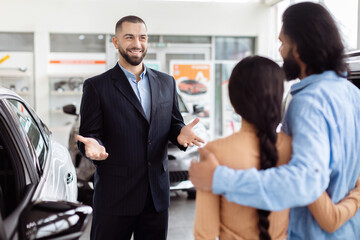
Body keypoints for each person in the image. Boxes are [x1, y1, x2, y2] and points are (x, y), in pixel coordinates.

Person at [189, 2, 360, 239]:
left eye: (283, 42)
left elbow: (307, 182)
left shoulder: (308, 102)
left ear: (299, 47)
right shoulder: (353, 94)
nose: (280, 51)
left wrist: (220, 178)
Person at [76, 15, 204, 240]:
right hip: (115, 198)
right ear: (116, 42)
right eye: (129, 37)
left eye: (142, 37)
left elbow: (173, 122)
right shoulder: (97, 86)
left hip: (156, 198)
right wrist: (92, 146)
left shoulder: (166, 82)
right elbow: (90, 135)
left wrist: (180, 132)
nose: (137, 43)